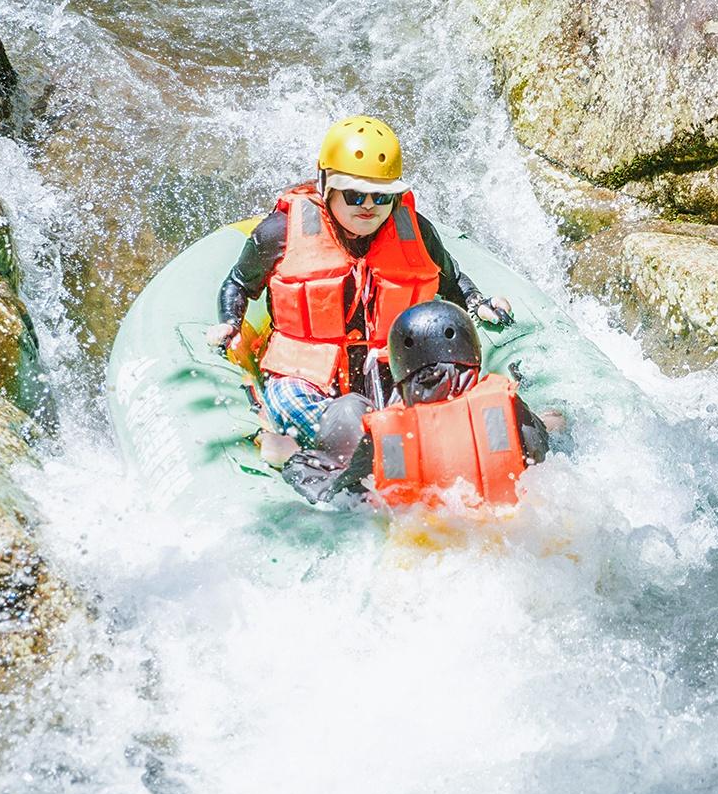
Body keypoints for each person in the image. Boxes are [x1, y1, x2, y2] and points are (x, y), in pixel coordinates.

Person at [208, 116, 512, 456]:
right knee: (330, 418)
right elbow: (238, 282)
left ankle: (415, 445)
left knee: (438, 398)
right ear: (327, 186)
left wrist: (475, 300)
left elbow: (450, 279)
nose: (368, 206)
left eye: (381, 198)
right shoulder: (279, 232)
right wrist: (230, 323)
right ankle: (366, 449)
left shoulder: (416, 233)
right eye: (354, 195)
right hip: (303, 373)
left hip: (387, 370)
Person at [281, 299, 553, 509]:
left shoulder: (387, 436)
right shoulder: (506, 408)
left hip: (423, 540)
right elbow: (542, 453)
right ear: (471, 353)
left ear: (401, 369)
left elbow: (340, 494)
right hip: (507, 532)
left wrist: (297, 463)